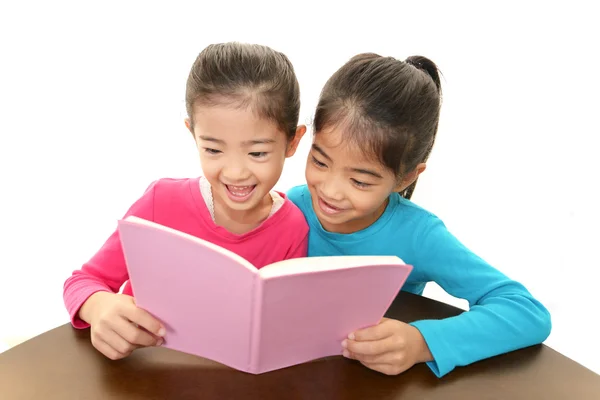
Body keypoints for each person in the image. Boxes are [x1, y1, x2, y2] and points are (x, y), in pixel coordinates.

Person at [287, 53, 551, 377]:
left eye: (360, 181)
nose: (330, 190)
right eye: (320, 162)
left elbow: (525, 312)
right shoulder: (289, 205)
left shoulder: (417, 235)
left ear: (406, 177)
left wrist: (420, 342)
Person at [63, 42, 308, 361]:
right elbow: (82, 281)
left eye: (257, 153)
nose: (235, 172)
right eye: (213, 150)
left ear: (293, 141)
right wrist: (98, 306)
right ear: (193, 133)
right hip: (148, 376)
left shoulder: (293, 227)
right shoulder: (159, 204)